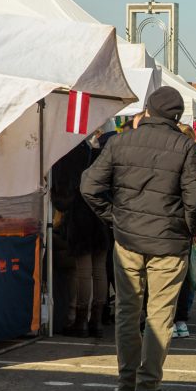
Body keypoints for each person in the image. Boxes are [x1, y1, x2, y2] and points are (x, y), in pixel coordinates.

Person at [81, 86, 196, 391]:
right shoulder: (185, 146)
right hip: (168, 241)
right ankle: (148, 384)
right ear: (177, 116)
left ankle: (126, 384)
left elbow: (89, 186)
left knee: (127, 312)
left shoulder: (120, 141)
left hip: (128, 240)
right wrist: (190, 232)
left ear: (148, 110)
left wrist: (113, 218)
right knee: (159, 315)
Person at [51, 133, 110, 337]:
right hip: (101, 215)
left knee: (83, 271)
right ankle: (96, 320)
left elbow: (62, 196)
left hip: (79, 216)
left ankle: (80, 320)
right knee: (99, 269)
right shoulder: (100, 152)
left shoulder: (67, 155)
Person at [173, 123, 196, 338]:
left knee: (176, 279)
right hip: (182, 226)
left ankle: (176, 320)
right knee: (182, 278)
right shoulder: (193, 162)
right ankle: (181, 320)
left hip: (175, 226)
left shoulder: (174, 160)